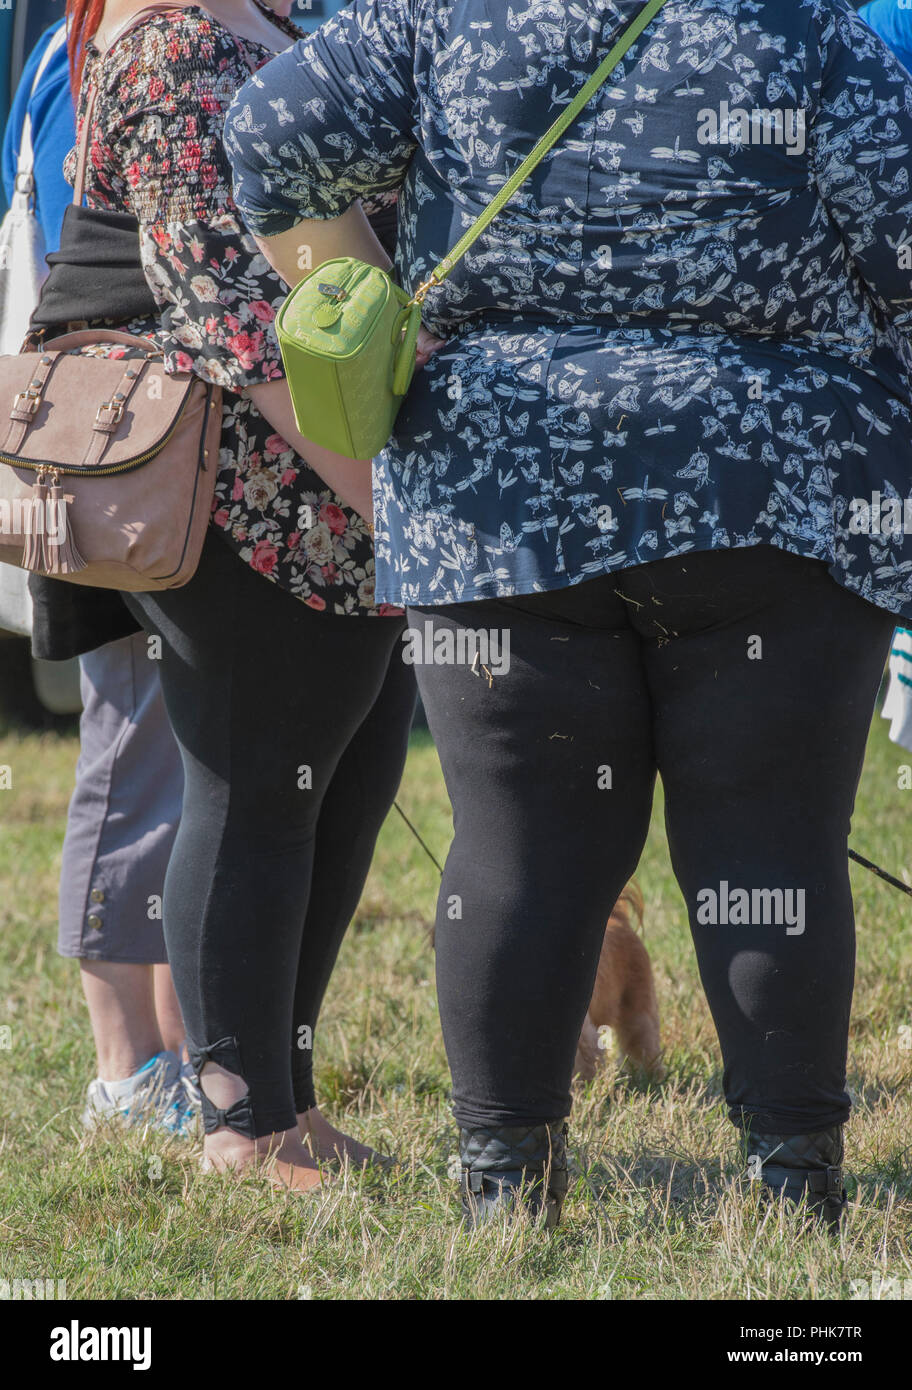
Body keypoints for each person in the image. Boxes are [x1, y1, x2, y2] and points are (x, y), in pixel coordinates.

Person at [227, 0, 912, 1228]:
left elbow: (270, 130)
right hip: (772, 485)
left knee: (517, 850)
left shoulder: (437, 14)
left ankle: (505, 1190)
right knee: (771, 850)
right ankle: (793, 1189)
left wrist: (364, 294)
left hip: (497, 492)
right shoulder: (808, 25)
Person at [43, 0, 418, 1188]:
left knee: (344, 773)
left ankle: (284, 1099)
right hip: (235, 478)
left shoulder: (270, 25)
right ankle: (240, 1125)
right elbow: (229, 312)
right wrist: (382, 497)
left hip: (308, 476)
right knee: (257, 779)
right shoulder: (172, 44)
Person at [2, 13, 195, 1135]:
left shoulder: (92, 33)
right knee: (133, 746)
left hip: (140, 438)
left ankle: (168, 1048)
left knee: (161, 747)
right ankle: (125, 1071)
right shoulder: (130, 36)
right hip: (124, 440)